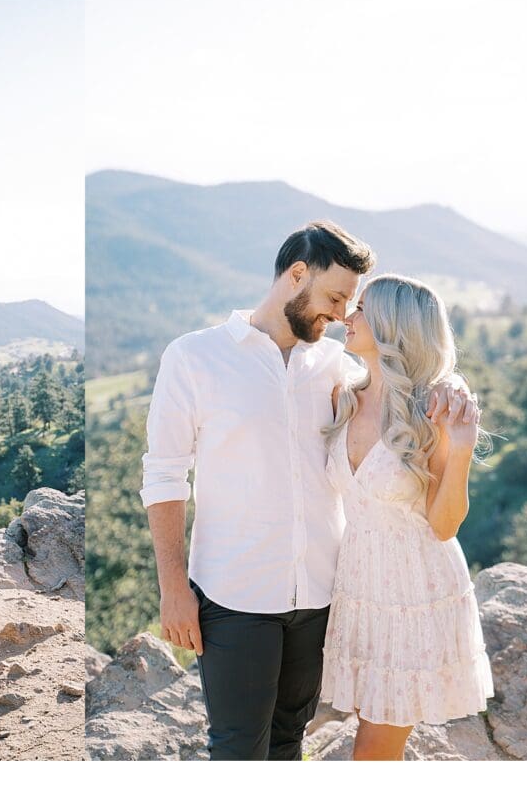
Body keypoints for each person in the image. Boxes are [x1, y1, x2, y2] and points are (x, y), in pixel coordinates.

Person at [141, 221, 467, 760]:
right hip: (233, 593)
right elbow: (164, 476)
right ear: (297, 275)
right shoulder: (193, 358)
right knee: (238, 749)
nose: (342, 316)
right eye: (336, 297)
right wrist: (173, 587)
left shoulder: (338, 367)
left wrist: (451, 385)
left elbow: (410, 373)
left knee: (289, 742)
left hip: (321, 595)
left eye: (350, 305)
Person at [319, 274, 494, 759]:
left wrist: (459, 454)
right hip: (359, 587)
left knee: (373, 749)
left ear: (393, 326)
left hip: (416, 592)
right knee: (374, 738)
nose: (347, 318)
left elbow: (444, 526)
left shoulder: (434, 410)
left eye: (362, 310)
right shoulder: (343, 397)